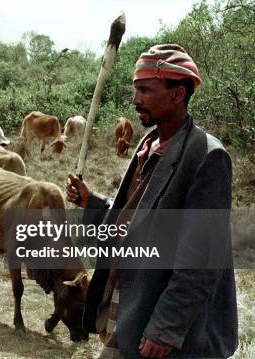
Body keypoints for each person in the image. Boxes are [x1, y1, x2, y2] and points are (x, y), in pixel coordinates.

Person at [66, 44, 237, 358]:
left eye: (145, 90)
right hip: (129, 302)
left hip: (164, 322)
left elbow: (201, 260)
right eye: (135, 90)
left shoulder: (207, 157)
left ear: (177, 94)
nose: (135, 99)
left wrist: (166, 327)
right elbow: (141, 218)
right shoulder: (148, 142)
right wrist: (92, 202)